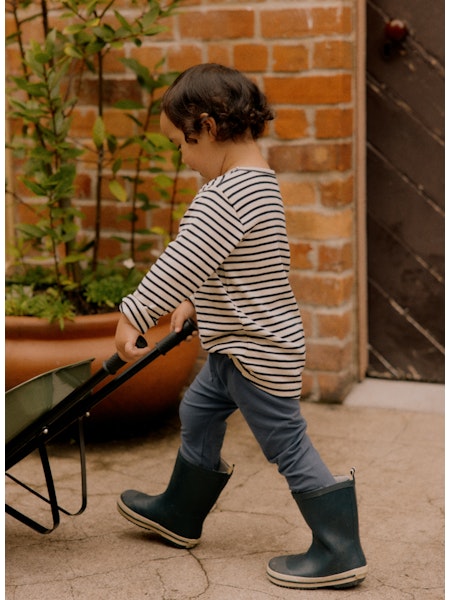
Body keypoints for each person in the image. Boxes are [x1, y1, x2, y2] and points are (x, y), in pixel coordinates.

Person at [114, 63, 367, 590]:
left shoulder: (225, 195)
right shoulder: (255, 183)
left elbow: (183, 260)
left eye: (179, 145)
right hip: (239, 345)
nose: (181, 158)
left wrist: (136, 312)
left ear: (206, 127)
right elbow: (225, 267)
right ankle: (180, 513)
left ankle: (340, 548)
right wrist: (194, 303)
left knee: (288, 447)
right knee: (197, 409)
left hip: (255, 353)